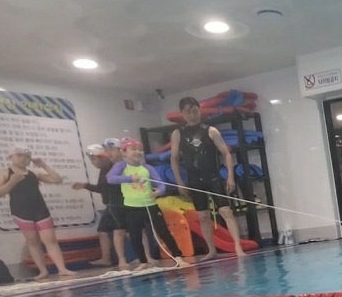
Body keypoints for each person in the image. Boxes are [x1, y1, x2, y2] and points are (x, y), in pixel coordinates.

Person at [170, 97, 245, 260]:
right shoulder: (177, 134)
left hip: (213, 177)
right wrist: (179, 182)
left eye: (195, 111)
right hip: (194, 180)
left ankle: (238, 246)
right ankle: (211, 250)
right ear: (182, 113)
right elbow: (174, 159)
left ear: (199, 111)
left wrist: (230, 177)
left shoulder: (211, 130)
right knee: (203, 216)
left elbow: (226, 153)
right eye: (188, 112)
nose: (192, 115)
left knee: (226, 211)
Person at [0, 145, 76, 279]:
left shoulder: (34, 173)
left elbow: (57, 179)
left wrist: (43, 165)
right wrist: (12, 181)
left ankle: (62, 269)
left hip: (40, 209)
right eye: (19, 155)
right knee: (33, 242)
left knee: (51, 240)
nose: (23, 159)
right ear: (11, 157)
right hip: (21, 211)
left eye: (26, 157)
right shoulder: (3, 173)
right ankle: (43, 271)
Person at [107, 139, 189, 270]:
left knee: (163, 231)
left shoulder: (147, 168)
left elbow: (160, 183)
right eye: (133, 149)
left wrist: (159, 192)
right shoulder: (121, 166)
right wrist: (129, 179)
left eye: (140, 149)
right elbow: (110, 178)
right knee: (135, 236)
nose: (138, 152)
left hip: (151, 205)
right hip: (132, 208)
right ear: (124, 152)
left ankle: (178, 257)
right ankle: (143, 261)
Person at [73, 144, 129, 269]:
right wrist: (85, 185)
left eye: (93, 159)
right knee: (102, 232)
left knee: (120, 231)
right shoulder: (103, 170)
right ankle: (106, 259)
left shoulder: (115, 167)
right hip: (109, 205)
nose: (92, 163)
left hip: (118, 205)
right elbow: (100, 188)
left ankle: (126, 258)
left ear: (102, 157)